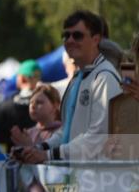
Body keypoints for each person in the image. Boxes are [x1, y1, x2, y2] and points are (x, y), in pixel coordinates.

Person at [44, 10, 122, 162]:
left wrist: (49, 155)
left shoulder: (104, 77)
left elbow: (98, 138)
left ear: (95, 39)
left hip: (98, 179)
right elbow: (69, 130)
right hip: (76, 175)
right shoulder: (78, 78)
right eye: (65, 36)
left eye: (77, 35)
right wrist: (41, 147)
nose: (70, 40)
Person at [0, 59, 41, 153]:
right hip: (39, 158)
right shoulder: (46, 104)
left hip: (12, 160)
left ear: (22, 78)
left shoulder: (2, 107)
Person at [11, 84, 63, 164]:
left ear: (55, 105)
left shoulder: (63, 131)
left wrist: (30, 147)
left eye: (39, 102)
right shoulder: (28, 132)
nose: (33, 106)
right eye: (31, 102)